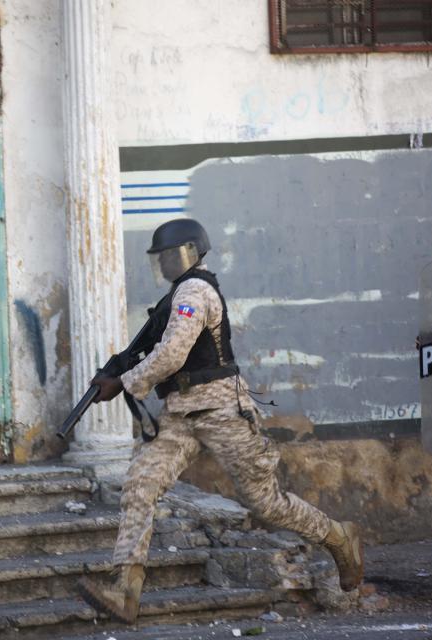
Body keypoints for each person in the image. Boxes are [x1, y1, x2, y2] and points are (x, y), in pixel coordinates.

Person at [76, 218, 364, 624]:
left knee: (265, 501)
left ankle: (338, 537)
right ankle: (125, 589)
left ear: (192, 252)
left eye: (171, 255)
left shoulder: (195, 290)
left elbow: (173, 354)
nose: (164, 264)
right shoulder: (175, 295)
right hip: (179, 413)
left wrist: (125, 381)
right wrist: (123, 373)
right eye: (160, 258)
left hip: (221, 409)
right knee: (140, 485)